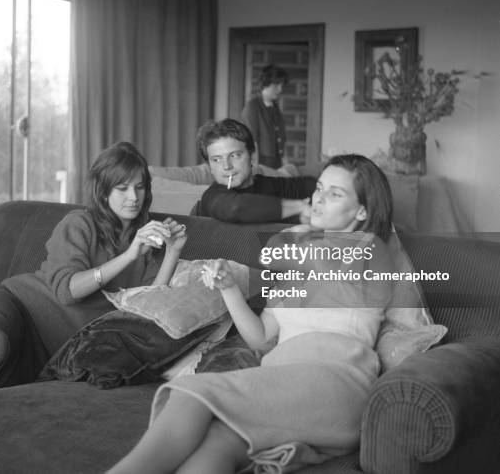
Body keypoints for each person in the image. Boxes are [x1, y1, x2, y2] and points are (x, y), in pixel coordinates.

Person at [107, 154, 396, 474]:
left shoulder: (373, 252)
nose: (319, 198)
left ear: (362, 211)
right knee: (217, 443)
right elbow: (260, 338)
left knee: (193, 392)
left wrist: (301, 231)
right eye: (319, 188)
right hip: (282, 385)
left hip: (336, 385)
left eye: (335, 194)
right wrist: (229, 287)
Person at [0, 142, 188, 390]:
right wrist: (129, 255)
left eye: (140, 187)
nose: (133, 197)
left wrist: (173, 252)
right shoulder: (81, 224)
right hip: (20, 305)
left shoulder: (149, 239)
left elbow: (149, 311)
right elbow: (68, 291)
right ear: (103, 192)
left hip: (49, 348)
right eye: (123, 188)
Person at [194, 118, 316, 223]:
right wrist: (299, 207)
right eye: (216, 160)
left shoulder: (273, 186)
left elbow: (310, 185)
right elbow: (236, 208)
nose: (226, 166)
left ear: (252, 157)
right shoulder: (212, 197)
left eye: (234, 155)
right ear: (210, 167)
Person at [241, 64, 289, 169]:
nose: (280, 90)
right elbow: (251, 141)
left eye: (281, 85)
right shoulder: (252, 107)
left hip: (276, 164)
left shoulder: (275, 107)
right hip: (262, 164)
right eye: (276, 85)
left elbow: (282, 139)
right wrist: (255, 169)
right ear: (265, 84)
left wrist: (285, 165)